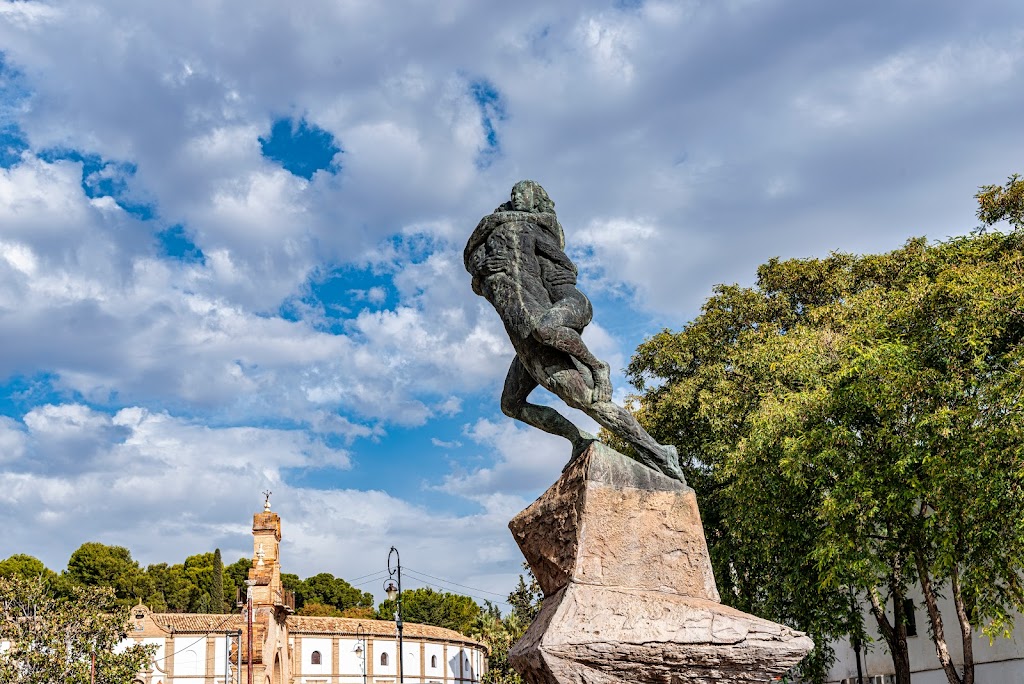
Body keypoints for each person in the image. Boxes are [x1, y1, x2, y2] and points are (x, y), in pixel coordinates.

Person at [465, 181, 685, 482]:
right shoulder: (493, 251)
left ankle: (658, 452)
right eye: (513, 194)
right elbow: (474, 263)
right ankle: (579, 439)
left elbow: (556, 263)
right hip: (524, 339)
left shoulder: (533, 230)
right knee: (511, 405)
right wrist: (481, 272)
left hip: (550, 320)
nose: (516, 197)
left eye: (523, 193)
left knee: (588, 400)